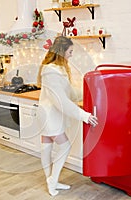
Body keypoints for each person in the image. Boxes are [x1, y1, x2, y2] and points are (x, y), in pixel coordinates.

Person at [36, 36, 98, 196]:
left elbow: (69, 92)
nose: (71, 55)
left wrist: (88, 91)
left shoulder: (59, 69)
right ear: (62, 51)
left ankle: (52, 181)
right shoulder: (50, 71)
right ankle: (52, 181)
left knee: (47, 146)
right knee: (64, 146)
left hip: (50, 114)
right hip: (50, 116)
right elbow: (61, 101)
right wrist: (83, 115)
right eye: (70, 51)